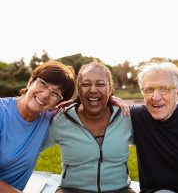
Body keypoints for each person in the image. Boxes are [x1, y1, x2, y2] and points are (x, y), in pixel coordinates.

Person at [43, 61, 135, 193]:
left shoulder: (126, 116)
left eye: (100, 84)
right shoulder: (61, 119)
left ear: (110, 88)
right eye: (86, 84)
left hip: (120, 190)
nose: (93, 90)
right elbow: (31, 149)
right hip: (71, 190)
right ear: (78, 89)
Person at [0, 61, 76, 193]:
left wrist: (111, 100)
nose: (46, 94)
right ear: (31, 81)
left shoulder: (49, 118)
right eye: (43, 84)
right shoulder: (2, 111)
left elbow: (88, 106)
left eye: (55, 93)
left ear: (58, 102)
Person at [130, 61, 178, 193]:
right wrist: (112, 100)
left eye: (164, 88)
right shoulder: (137, 116)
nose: (155, 97)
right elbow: (100, 109)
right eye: (149, 90)